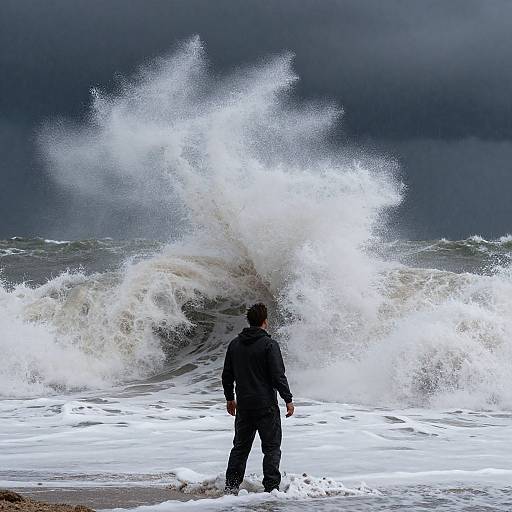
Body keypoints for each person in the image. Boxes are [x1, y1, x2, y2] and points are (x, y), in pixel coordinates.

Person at [222, 302, 294, 494]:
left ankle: (231, 488)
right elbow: (278, 375)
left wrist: (230, 398)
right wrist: (288, 399)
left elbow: (227, 375)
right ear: (265, 322)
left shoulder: (235, 344)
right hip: (266, 406)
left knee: (240, 448)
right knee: (271, 449)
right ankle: (271, 490)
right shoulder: (270, 345)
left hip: (244, 406)